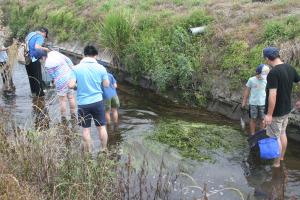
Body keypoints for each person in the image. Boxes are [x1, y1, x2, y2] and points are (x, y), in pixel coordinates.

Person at [263, 47, 300, 168]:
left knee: (275, 138)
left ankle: (276, 164)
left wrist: (269, 114)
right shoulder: (290, 68)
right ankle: (282, 157)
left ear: (268, 58)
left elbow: (272, 95)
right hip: (286, 110)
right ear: (278, 55)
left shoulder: (273, 73)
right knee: (282, 133)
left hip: (276, 112)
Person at [69, 45, 109, 153]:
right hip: (97, 102)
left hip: (83, 104)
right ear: (95, 55)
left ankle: (89, 153)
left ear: (84, 55)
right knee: (101, 127)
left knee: (86, 130)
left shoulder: (76, 68)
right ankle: (103, 150)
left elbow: (71, 85)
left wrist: (78, 85)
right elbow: (106, 84)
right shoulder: (101, 68)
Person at [42, 50, 76, 124]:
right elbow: (68, 60)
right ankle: (73, 115)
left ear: (43, 57)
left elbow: (52, 76)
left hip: (61, 82)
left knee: (62, 101)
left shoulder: (47, 64)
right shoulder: (55, 53)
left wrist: (54, 81)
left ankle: (64, 118)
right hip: (70, 77)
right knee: (71, 97)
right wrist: (72, 70)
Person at [242, 64, 270, 135]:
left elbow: (269, 92)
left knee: (263, 120)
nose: (263, 77)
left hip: (263, 104)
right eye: (261, 74)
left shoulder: (266, 80)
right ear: (257, 73)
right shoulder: (251, 80)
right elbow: (247, 91)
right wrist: (244, 102)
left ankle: (260, 134)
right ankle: (253, 134)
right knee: (253, 119)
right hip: (253, 103)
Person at [25, 27, 50, 97]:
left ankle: (33, 94)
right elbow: (37, 47)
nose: (44, 38)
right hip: (34, 60)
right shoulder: (40, 37)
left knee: (31, 77)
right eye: (45, 36)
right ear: (44, 33)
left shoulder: (31, 34)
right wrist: (46, 49)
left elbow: (29, 45)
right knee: (38, 77)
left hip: (26, 59)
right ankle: (40, 95)